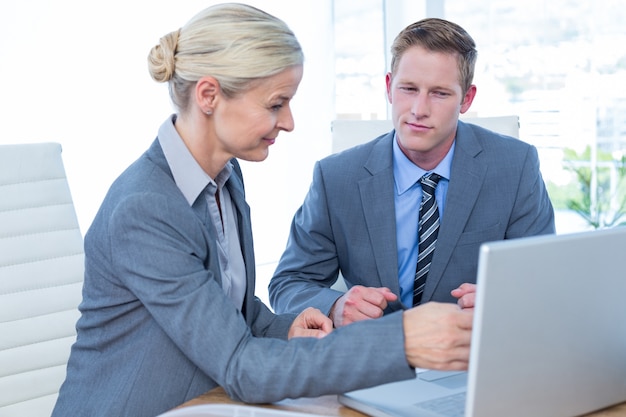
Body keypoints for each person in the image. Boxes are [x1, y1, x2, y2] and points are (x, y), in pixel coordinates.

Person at [51, 5, 473, 417]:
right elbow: (240, 365)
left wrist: (284, 326)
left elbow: (232, 310)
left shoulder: (225, 175)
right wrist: (399, 341)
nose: (288, 121)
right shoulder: (146, 208)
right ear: (209, 95)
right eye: (275, 104)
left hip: (205, 401)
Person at [269, 17, 555, 327]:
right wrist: (335, 305)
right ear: (389, 87)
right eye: (409, 89)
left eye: (439, 93)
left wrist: (504, 300)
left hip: (467, 356)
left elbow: (544, 281)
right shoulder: (336, 178)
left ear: (467, 99)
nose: (419, 109)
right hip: (371, 361)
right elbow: (289, 283)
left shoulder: (515, 166)